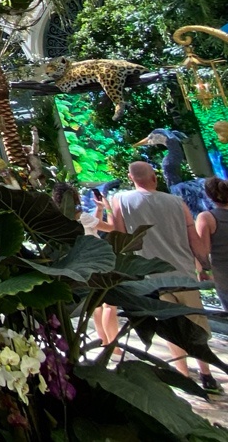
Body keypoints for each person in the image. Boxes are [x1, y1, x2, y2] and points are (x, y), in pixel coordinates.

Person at [111, 161, 220, 391]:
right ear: (154, 178)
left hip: (150, 279)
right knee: (195, 325)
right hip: (183, 275)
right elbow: (194, 240)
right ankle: (207, 374)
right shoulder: (176, 202)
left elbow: (119, 238)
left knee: (170, 328)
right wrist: (205, 266)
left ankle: (184, 377)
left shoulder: (120, 201)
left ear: (132, 179)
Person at [53, 183, 117, 346]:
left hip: (80, 262)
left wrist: (99, 209)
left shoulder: (61, 219)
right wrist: (109, 208)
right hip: (97, 259)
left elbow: (93, 223)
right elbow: (111, 227)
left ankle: (103, 340)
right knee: (108, 303)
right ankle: (113, 345)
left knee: (94, 304)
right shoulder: (81, 216)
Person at [196, 177, 228, 311]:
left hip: (224, 278)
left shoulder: (207, 218)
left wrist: (201, 271)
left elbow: (202, 250)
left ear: (209, 195)